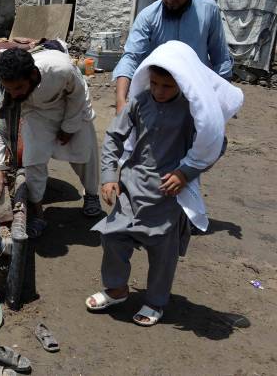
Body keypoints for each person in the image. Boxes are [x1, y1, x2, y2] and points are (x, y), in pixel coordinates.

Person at [86, 41, 243, 326]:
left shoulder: (193, 111)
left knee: (162, 250)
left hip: (169, 192)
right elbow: (113, 138)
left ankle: (155, 301)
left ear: (182, 85)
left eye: (167, 87)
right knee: (113, 236)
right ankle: (117, 289)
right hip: (132, 185)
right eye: (154, 83)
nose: (159, 91)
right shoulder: (140, 101)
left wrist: (186, 173)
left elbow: (215, 145)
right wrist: (110, 176)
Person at [0, 48, 101, 238]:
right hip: (36, 112)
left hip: (70, 106)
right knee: (33, 161)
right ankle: (37, 215)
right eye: (10, 89)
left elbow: (77, 94)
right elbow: (0, 122)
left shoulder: (60, 69)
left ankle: (91, 194)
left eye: (19, 88)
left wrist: (69, 127)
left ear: (32, 75)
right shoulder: (5, 85)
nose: (13, 95)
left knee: (84, 153)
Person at [113, 0, 233, 114]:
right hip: (159, 96)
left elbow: (221, 59)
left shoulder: (208, 10)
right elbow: (131, 57)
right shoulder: (148, 16)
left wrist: (221, 100)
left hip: (198, 96)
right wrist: (120, 101)